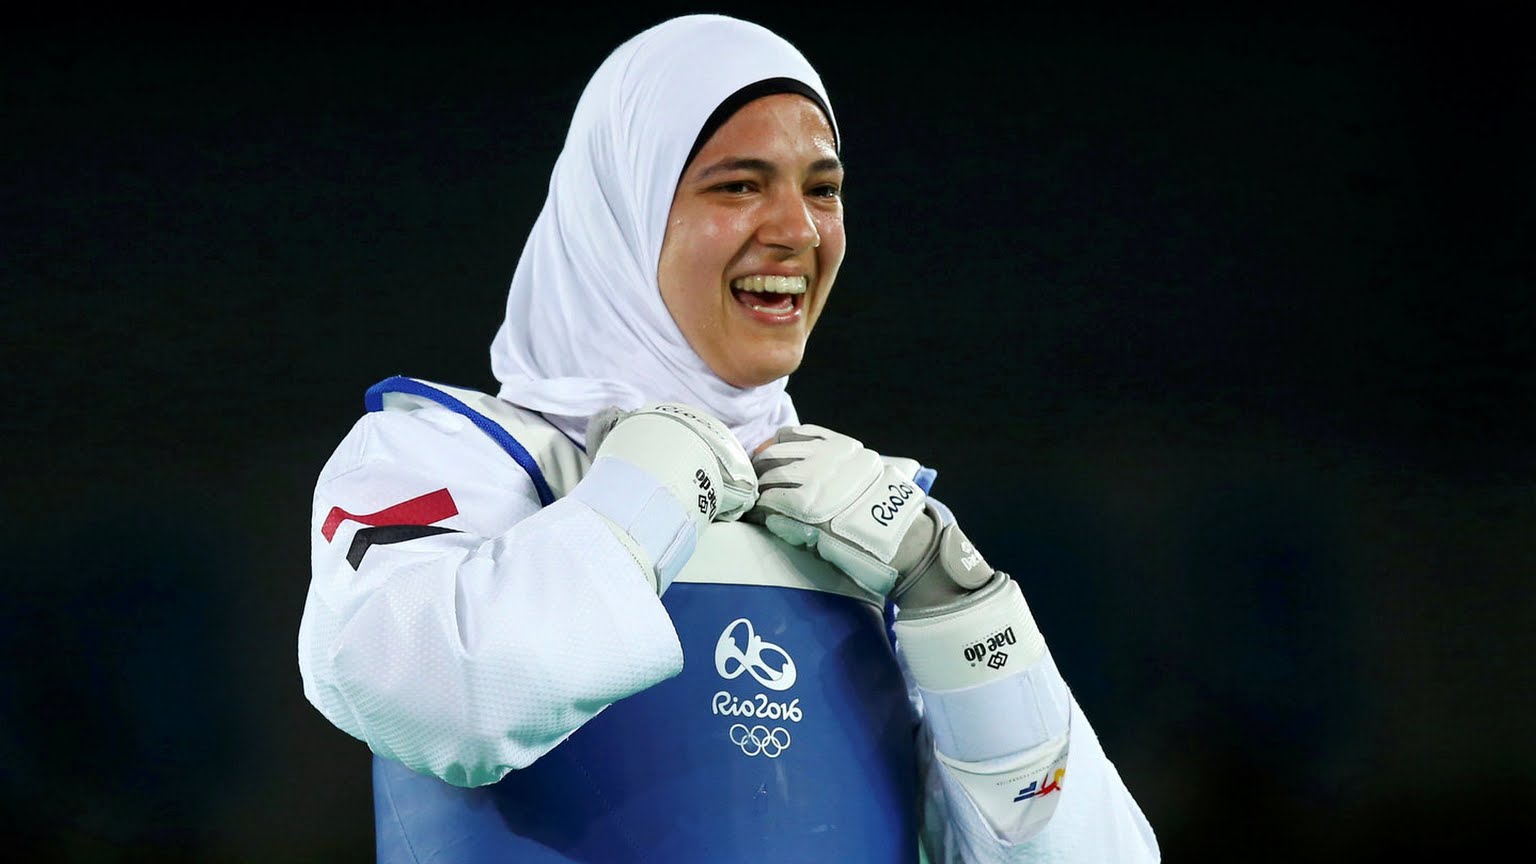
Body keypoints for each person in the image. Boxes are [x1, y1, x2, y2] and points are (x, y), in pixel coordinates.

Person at [297, 13, 1160, 863]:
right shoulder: (448, 457)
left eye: (822, 189)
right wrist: (639, 502)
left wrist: (960, 610)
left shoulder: (879, 531)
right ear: (621, 215)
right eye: (739, 186)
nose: (797, 230)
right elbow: (420, 692)